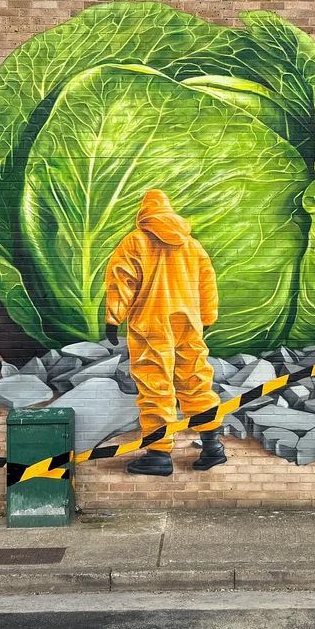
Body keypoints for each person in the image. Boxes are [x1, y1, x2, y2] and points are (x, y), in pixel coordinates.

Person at [104, 189, 222, 476]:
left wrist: (113, 318)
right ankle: (212, 446)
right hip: (188, 324)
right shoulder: (192, 246)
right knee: (196, 380)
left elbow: (122, 280)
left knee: (155, 385)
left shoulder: (136, 241)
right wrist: (207, 317)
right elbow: (207, 283)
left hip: (151, 324)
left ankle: (158, 455)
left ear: (145, 214)